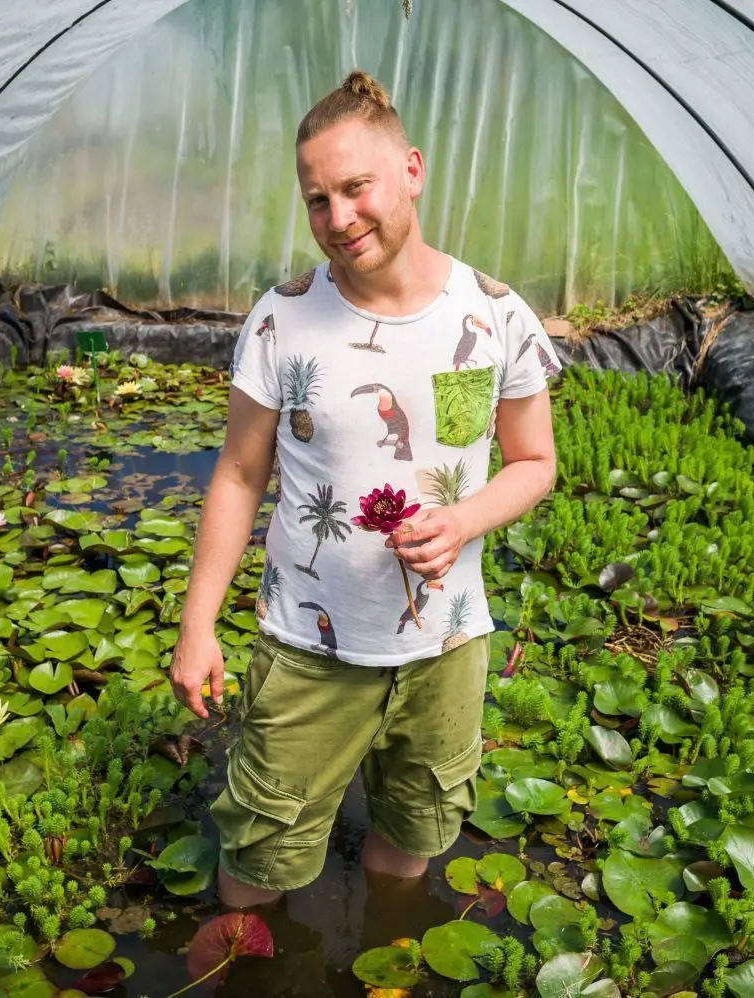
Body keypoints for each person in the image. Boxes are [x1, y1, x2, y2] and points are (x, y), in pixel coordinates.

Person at [169, 68, 561, 910]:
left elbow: (534, 462)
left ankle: (385, 956)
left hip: (446, 647)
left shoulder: (496, 315)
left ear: (411, 171)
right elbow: (240, 474)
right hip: (311, 647)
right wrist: (197, 624)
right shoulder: (282, 318)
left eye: (356, 188)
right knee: (259, 861)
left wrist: (461, 521)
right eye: (317, 200)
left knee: (411, 839)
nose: (339, 220)